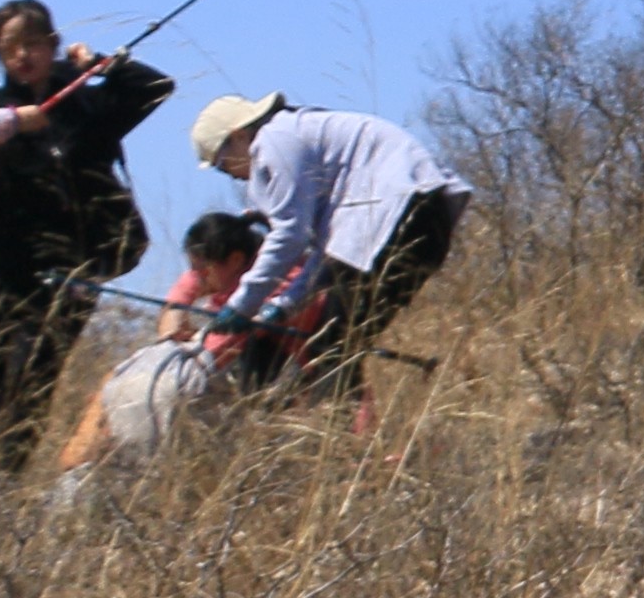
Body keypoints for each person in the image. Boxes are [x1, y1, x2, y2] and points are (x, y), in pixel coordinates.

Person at [0, 0, 179, 472]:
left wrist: (101, 65)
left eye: (32, 44)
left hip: (71, 275)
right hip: (1, 269)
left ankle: (5, 486)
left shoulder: (85, 106)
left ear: (52, 44)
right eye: (8, 48)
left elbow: (157, 87)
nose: (22, 55)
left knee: (34, 381)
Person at [191, 90, 475, 388]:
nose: (231, 175)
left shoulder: (275, 138)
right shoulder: (301, 135)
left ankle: (336, 429)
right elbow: (328, 253)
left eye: (222, 164)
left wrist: (241, 306)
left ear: (238, 135)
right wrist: (286, 304)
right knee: (334, 345)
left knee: (332, 350)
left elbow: (290, 235)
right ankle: (333, 426)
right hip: (421, 222)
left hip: (398, 218)